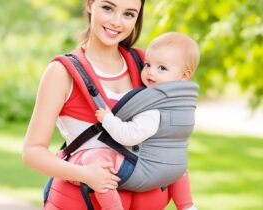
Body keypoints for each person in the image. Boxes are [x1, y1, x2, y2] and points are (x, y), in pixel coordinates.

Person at [22, 0, 196, 209]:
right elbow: (32, 151)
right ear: (89, 5)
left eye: (129, 14)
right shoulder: (62, 72)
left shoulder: (145, 65)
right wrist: (85, 174)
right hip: (80, 201)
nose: (116, 22)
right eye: (107, 8)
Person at [90, 32, 199, 210]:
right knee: (178, 165)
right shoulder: (183, 105)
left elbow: (128, 136)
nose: (150, 72)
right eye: (147, 64)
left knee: (98, 163)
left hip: (143, 172)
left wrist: (108, 119)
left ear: (184, 75)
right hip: (175, 169)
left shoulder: (154, 109)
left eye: (162, 68)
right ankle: (187, 206)